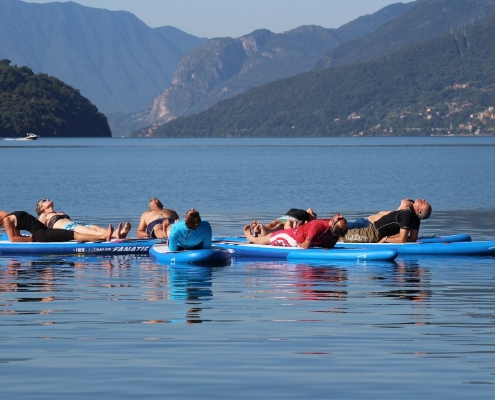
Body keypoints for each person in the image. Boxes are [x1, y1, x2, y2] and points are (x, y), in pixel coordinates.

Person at [343, 199, 432, 243]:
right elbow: (413, 238)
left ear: (418, 210)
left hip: (372, 233)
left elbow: (402, 239)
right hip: (374, 231)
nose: (423, 200)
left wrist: (386, 239)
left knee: (343, 235)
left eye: (424, 203)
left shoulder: (407, 215)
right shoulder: (414, 217)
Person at [36, 199, 131, 239]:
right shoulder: (44, 216)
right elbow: (38, 231)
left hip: (75, 224)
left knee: (98, 228)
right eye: (44, 201)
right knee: (91, 231)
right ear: (42, 208)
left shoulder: (58, 212)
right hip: (67, 228)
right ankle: (111, 236)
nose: (47, 199)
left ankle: (119, 235)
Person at [244, 214, 348, 249]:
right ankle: (254, 239)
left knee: (271, 237)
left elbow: (305, 246)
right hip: (297, 233)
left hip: (293, 238)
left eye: (340, 218)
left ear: (334, 224)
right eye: (341, 218)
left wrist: (301, 244)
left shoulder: (321, 228)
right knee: (271, 236)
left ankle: (252, 238)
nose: (340, 216)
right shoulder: (331, 229)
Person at [0, 210, 113, 243]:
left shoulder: (9, 216)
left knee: (74, 233)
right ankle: (103, 236)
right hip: (41, 234)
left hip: (42, 231)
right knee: (73, 234)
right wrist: (30, 239)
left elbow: (17, 234)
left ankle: (103, 235)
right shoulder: (6, 221)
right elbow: (13, 239)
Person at [347, 198, 415, 229]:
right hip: (362, 221)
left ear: (408, 207)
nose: (407, 198)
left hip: (367, 225)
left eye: (409, 200)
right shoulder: (396, 213)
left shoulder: (399, 216)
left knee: (342, 225)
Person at [250, 208, 317, 236]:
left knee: (274, 223)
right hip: (292, 218)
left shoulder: (302, 212)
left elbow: (310, 210)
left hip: (284, 217)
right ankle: (265, 231)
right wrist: (313, 217)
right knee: (281, 225)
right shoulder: (308, 217)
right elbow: (310, 210)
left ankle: (261, 229)